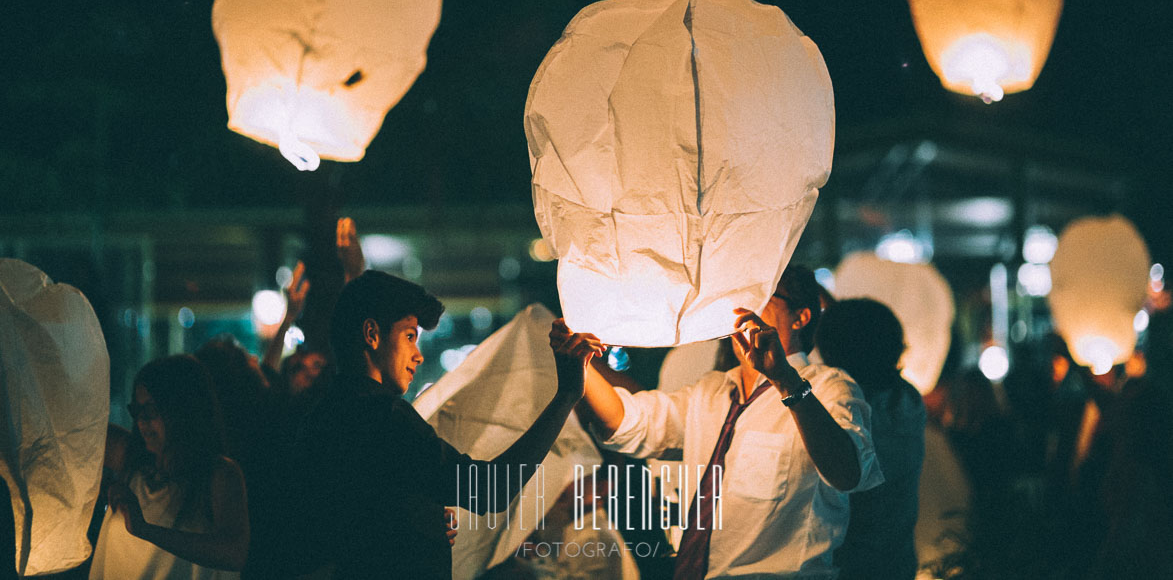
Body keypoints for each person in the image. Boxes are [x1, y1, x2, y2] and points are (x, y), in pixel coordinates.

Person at [574, 265, 882, 579]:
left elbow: (849, 473)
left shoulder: (830, 387)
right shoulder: (712, 391)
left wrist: (786, 381)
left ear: (800, 317)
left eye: (763, 295)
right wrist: (580, 364)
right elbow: (630, 422)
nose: (745, 306)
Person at [292, 269, 603, 580]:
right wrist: (566, 396)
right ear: (372, 334)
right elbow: (490, 489)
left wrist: (418, 518)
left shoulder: (322, 416)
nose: (418, 356)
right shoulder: (383, 416)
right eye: (409, 336)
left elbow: (347, 520)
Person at [89, 355, 248, 580]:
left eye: (152, 409)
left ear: (183, 410)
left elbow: (234, 553)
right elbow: (73, 432)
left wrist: (145, 530)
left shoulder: (219, 475)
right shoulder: (132, 459)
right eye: (137, 409)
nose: (141, 421)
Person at [814, 298, 926, 580]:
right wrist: (834, 312)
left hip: (850, 567)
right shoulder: (907, 401)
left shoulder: (844, 411)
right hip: (896, 563)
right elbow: (863, 337)